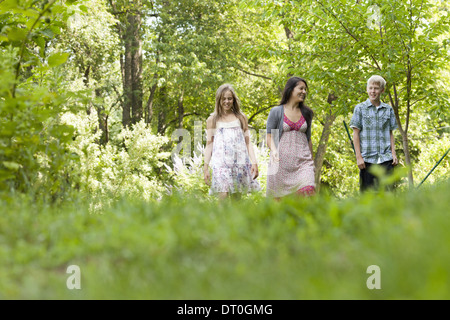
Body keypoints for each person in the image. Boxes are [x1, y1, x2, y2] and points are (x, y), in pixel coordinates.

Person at [203, 84, 261, 199]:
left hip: (239, 163)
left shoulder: (241, 118)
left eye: (229, 98)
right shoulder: (212, 119)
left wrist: (254, 162)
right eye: (223, 99)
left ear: (233, 100)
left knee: (236, 200)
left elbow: (248, 142)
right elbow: (209, 144)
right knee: (223, 196)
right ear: (219, 100)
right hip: (220, 164)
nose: (227, 101)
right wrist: (205, 168)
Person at [266, 76, 316, 199]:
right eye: (301, 88)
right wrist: (274, 150)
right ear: (291, 89)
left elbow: (308, 139)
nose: (304, 92)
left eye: (305, 89)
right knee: (279, 204)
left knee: (308, 190)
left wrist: (312, 162)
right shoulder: (276, 111)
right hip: (280, 165)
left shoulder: (307, 113)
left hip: (303, 163)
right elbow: (269, 136)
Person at [349, 75, 398, 192]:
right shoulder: (360, 108)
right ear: (367, 89)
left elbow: (390, 133)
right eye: (370, 88)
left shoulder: (388, 109)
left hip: (386, 159)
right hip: (367, 160)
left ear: (382, 90)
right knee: (368, 197)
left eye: (376, 88)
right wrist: (358, 157)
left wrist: (394, 154)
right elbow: (356, 134)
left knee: (389, 196)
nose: (373, 91)